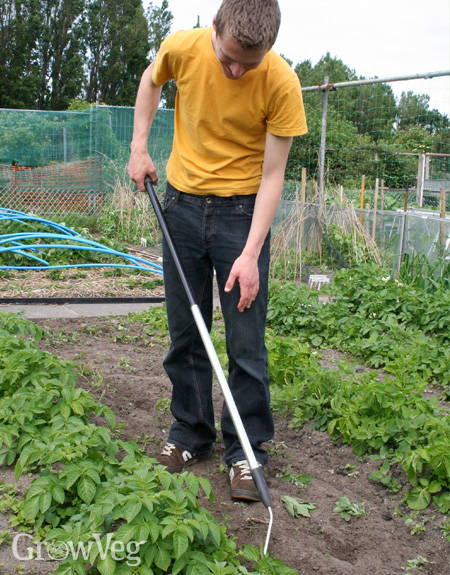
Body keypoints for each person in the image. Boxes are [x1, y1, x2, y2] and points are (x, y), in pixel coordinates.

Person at [128, 0, 307, 502]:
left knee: (245, 340)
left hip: (241, 218)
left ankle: (247, 454)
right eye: (229, 57)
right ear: (214, 27)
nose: (236, 70)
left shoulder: (281, 82)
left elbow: (273, 176)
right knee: (187, 330)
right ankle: (190, 433)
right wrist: (139, 147)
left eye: (248, 64)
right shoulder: (182, 48)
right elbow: (150, 82)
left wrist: (250, 254)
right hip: (181, 207)